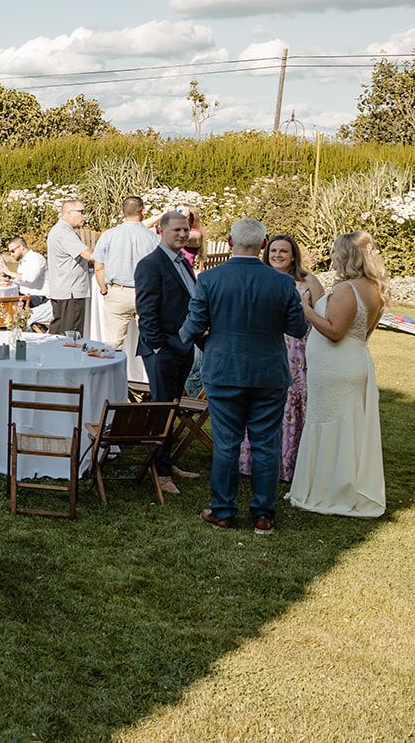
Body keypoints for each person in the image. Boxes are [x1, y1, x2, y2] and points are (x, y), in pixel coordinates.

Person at [181, 218, 309, 534]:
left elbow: (193, 326)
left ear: (229, 242)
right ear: (264, 245)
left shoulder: (209, 278)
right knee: (266, 443)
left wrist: (193, 339)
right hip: (269, 373)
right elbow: (297, 328)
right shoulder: (282, 283)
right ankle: (263, 515)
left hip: (224, 371)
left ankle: (223, 511)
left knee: (227, 443)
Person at [288, 231, 387, 518]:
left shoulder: (347, 289)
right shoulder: (375, 288)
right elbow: (363, 333)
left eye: (335, 252)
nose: (332, 257)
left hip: (336, 369)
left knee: (331, 425)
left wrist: (305, 308)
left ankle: (329, 491)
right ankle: (341, 486)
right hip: (352, 361)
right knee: (345, 428)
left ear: (346, 255)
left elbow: (334, 332)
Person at [238, 235, 325, 482]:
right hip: (265, 348)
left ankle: (292, 464)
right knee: (261, 403)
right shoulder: (260, 277)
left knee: (293, 402)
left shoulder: (308, 281)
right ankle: (253, 463)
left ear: (293, 255)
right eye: (273, 250)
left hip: (299, 351)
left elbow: (323, 317)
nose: (277, 255)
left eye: (283, 251)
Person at [134, 211, 203, 497]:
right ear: (161, 231)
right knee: (162, 410)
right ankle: (160, 473)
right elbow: (147, 312)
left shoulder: (182, 262)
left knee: (172, 408)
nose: (183, 235)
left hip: (183, 347)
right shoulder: (150, 265)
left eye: (185, 230)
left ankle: (166, 462)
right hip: (162, 350)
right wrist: (160, 347)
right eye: (176, 230)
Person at [93, 196, 160, 351]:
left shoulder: (108, 235)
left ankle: (112, 367)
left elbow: (99, 266)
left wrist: (104, 290)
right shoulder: (154, 238)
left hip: (119, 292)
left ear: (122, 213)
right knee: (151, 342)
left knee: (112, 345)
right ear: (143, 212)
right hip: (146, 292)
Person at [46, 199, 94, 336]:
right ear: (69, 213)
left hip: (62, 290)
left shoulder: (59, 230)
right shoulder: (65, 233)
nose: (85, 215)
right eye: (82, 212)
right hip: (71, 293)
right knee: (71, 336)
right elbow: (89, 254)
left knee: (58, 334)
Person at [3, 237, 48, 308]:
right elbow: (20, 282)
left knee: (8, 306)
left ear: (21, 247)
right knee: (3, 299)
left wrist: (10, 272)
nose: (11, 254)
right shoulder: (22, 262)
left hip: (38, 297)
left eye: (12, 251)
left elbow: (31, 278)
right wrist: (6, 281)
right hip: (25, 296)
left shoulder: (37, 258)